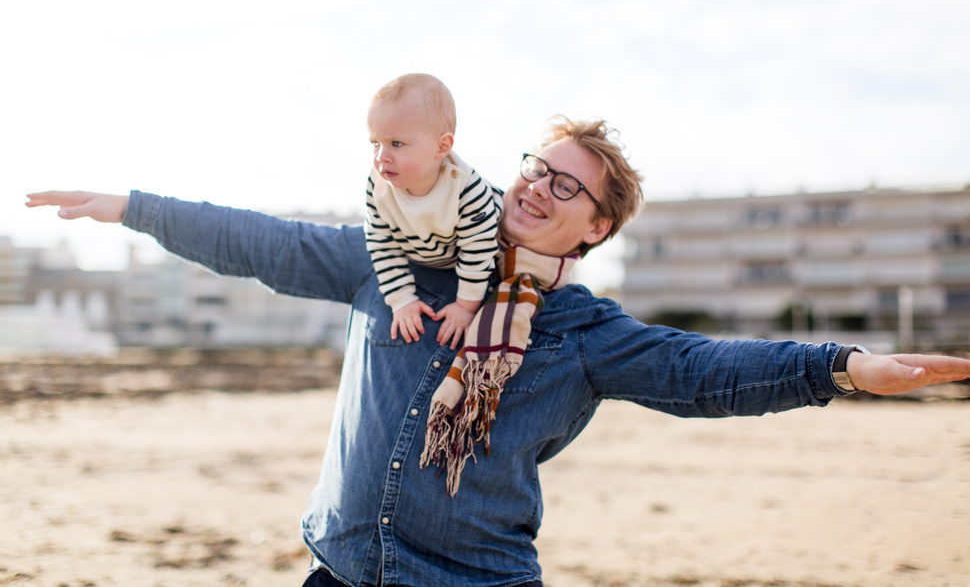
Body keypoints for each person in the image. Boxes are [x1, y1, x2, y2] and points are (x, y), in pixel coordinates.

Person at [25, 116, 970, 587]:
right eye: (536, 166)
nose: (538, 188)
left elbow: (698, 370)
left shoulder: (586, 334)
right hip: (343, 569)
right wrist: (135, 210)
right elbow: (269, 243)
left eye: (568, 187)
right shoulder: (399, 257)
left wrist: (840, 366)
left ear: (594, 230)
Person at [364, 73, 502, 349]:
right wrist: (402, 299)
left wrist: (465, 306)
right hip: (427, 247)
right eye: (375, 143)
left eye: (396, 144)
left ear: (442, 147)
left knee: (501, 254)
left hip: (483, 240)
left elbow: (478, 251)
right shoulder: (378, 186)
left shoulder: (468, 191)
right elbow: (382, 245)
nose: (382, 157)